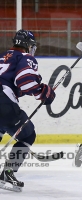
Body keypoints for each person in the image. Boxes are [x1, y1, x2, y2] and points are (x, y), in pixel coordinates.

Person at [0, 29, 56, 192]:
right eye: (32, 45)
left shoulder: (3, 56)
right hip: (3, 101)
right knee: (27, 134)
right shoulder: (25, 58)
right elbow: (25, 82)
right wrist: (44, 93)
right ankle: (8, 173)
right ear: (27, 45)